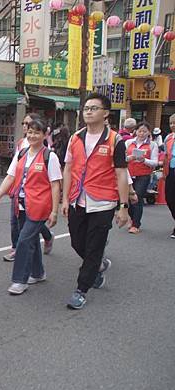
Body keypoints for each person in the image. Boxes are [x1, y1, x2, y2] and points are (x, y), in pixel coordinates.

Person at [61, 93, 130, 310]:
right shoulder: (75, 138)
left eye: (94, 108)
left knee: (93, 246)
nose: (88, 111)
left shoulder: (115, 140)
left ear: (106, 113)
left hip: (103, 201)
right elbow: (68, 169)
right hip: (77, 200)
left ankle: (81, 289)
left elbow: (121, 175)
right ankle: (98, 266)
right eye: (86, 108)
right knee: (76, 242)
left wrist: (123, 207)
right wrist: (64, 199)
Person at [0, 118, 62, 295]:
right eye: (30, 132)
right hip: (20, 204)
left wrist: (54, 211)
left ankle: (20, 280)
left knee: (23, 241)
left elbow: (55, 185)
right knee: (31, 241)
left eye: (37, 132)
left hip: (39, 207)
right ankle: (38, 273)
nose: (32, 135)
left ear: (45, 135)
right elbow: (10, 176)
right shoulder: (21, 153)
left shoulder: (49, 156)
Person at [3, 113, 54, 262]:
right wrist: (0, 194)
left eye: (29, 124)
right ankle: (18, 250)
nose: (26, 127)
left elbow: (53, 181)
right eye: (24, 125)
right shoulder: (21, 144)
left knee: (31, 226)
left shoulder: (45, 151)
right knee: (17, 223)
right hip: (18, 192)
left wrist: (55, 210)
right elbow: (13, 171)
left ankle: (21, 257)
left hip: (35, 197)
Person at [125, 121, 158, 234]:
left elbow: (155, 162)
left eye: (144, 131)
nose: (142, 133)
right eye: (140, 131)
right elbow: (122, 158)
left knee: (137, 197)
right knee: (129, 198)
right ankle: (132, 218)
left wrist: (144, 160)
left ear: (149, 132)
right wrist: (129, 158)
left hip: (143, 175)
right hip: (129, 174)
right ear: (135, 131)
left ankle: (135, 224)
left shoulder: (152, 145)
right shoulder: (129, 142)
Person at [164, 113, 175, 239]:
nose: (173, 125)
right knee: (169, 198)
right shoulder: (169, 138)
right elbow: (166, 155)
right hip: (170, 171)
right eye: (171, 123)